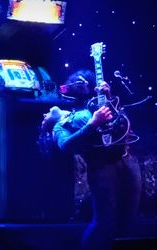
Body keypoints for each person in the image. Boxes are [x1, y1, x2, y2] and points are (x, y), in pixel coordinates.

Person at [51, 69, 142, 250]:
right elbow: (66, 146)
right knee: (104, 222)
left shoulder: (103, 104)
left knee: (129, 221)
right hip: (101, 167)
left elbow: (125, 126)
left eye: (84, 81)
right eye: (76, 81)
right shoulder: (64, 122)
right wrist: (92, 124)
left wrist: (109, 97)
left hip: (127, 161)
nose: (81, 82)